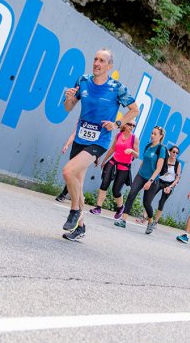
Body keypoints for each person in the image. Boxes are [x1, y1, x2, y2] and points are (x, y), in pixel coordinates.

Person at [60, 49, 139, 241]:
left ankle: (74, 212)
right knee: (77, 182)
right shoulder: (83, 80)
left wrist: (117, 124)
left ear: (109, 66)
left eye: (102, 61)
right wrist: (69, 98)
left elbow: (134, 109)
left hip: (99, 141)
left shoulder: (116, 88)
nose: (97, 63)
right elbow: (68, 107)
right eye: (95, 59)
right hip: (80, 139)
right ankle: (81, 228)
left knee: (68, 172)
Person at [114, 126, 167, 234]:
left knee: (146, 203)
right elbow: (144, 161)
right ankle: (123, 220)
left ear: (160, 136)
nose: (152, 135)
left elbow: (159, 168)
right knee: (131, 194)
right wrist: (139, 173)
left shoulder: (161, 149)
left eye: (155, 134)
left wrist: (150, 181)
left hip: (152, 179)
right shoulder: (148, 146)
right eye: (152, 133)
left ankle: (151, 222)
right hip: (141, 175)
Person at [89, 121, 139, 217]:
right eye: (129, 124)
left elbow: (137, 155)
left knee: (116, 191)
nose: (131, 127)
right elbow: (112, 149)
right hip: (113, 161)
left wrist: (132, 151)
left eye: (133, 125)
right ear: (125, 125)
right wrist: (104, 161)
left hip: (124, 166)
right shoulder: (119, 135)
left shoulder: (134, 138)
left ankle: (120, 208)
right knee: (104, 184)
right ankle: (98, 208)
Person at [137, 145, 183, 226]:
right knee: (149, 198)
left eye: (177, 153)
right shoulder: (164, 160)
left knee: (161, 202)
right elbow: (157, 169)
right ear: (169, 152)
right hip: (160, 181)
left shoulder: (178, 164)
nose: (175, 154)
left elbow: (177, 178)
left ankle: (155, 222)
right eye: (173, 152)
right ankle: (144, 218)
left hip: (169, 184)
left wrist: (170, 187)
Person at [55, 123, 81, 202]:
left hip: (86, 151)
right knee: (70, 172)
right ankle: (74, 195)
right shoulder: (81, 120)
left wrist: (97, 156)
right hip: (76, 147)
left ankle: (64, 194)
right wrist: (67, 145)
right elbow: (73, 135)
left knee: (75, 173)